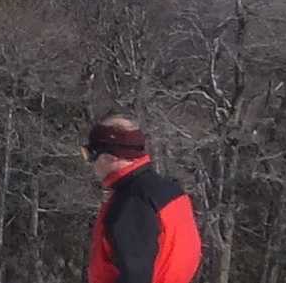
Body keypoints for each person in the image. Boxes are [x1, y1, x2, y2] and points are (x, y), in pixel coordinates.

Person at [83, 115, 200, 283]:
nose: (90, 163)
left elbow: (136, 274)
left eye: (90, 154)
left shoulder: (132, 203)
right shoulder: (168, 190)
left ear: (111, 156)